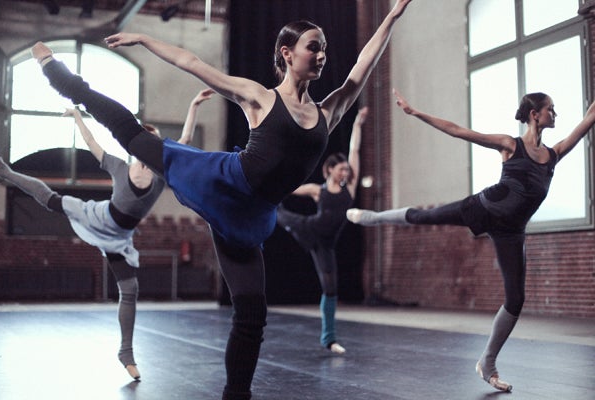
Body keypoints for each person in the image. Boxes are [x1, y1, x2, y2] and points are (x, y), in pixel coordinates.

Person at [31, 1, 412, 398]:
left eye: (324, 49)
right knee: (135, 138)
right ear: (287, 53)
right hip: (222, 184)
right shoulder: (259, 97)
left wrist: (391, 16)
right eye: (313, 47)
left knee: (252, 314)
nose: (321, 55)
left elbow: (362, 67)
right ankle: (63, 79)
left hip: (251, 217)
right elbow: (192, 62)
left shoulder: (328, 112)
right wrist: (144, 38)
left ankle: (236, 394)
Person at [347, 89, 595, 392]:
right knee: (426, 216)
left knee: (516, 299)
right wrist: (416, 113)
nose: (555, 114)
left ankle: (487, 363)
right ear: (535, 114)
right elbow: (458, 131)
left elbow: (589, 119)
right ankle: (374, 217)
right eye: (550, 109)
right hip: (481, 209)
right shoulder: (510, 145)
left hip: (511, 231)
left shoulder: (554, 154)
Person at [0, 88, 214, 381]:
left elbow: (185, 142)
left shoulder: (162, 175)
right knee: (51, 199)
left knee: (130, 290)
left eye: (155, 141)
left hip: (119, 238)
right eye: (146, 140)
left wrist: (194, 104)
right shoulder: (118, 166)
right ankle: (4, 171)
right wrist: (77, 116)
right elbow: (91, 143)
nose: (151, 146)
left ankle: (126, 353)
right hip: (97, 216)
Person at [276, 106, 367, 355]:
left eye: (346, 170)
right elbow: (290, 189)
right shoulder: (318, 190)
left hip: (326, 244)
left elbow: (354, 151)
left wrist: (357, 125)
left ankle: (329, 339)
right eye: (341, 169)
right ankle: (267, 207)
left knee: (331, 289)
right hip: (309, 230)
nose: (345, 172)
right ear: (330, 170)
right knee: (279, 212)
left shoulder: (349, 188)